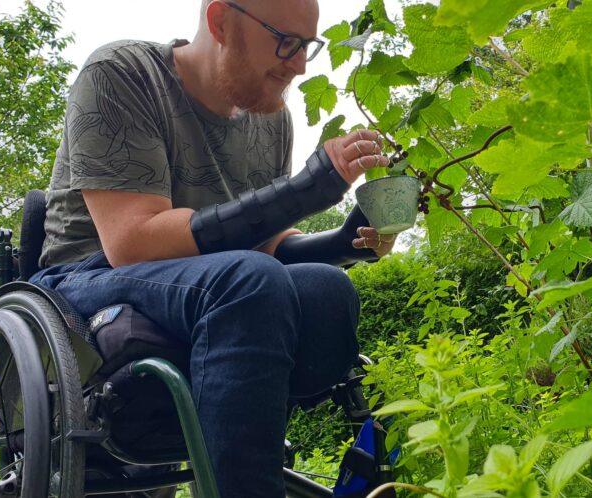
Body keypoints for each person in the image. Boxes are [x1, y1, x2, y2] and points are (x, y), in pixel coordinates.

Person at [27, 0, 394, 496]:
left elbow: (263, 246)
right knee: (246, 282)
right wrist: (304, 190)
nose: (301, 65)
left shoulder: (272, 119)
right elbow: (133, 242)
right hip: (81, 282)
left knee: (326, 289)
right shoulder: (120, 74)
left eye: (308, 46)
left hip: (216, 286)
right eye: (286, 42)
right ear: (221, 21)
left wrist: (345, 243)